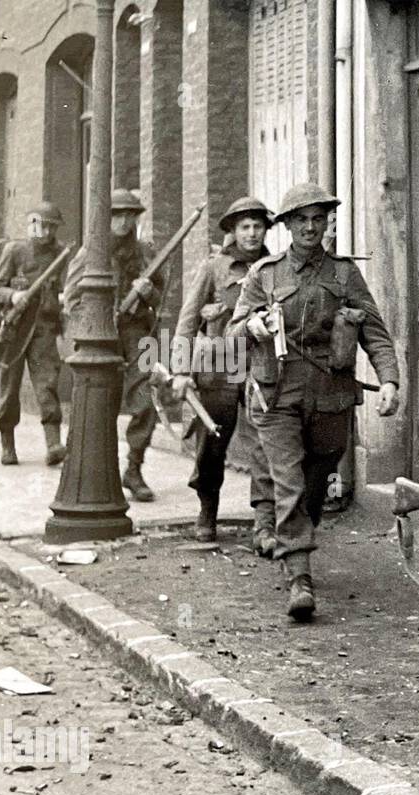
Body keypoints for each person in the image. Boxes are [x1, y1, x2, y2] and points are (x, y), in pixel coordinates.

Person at [226, 183, 399, 621]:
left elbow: (373, 330)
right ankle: (300, 575)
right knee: (289, 480)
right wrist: (254, 326)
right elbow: (232, 332)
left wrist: (390, 380)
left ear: (327, 223)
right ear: (285, 226)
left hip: (331, 395)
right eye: (300, 219)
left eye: (317, 218)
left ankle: (296, 536)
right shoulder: (264, 275)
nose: (309, 226)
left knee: (320, 476)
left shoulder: (344, 274)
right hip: (276, 393)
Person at [173, 195, 278, 548]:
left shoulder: (275, 265)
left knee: (266, 443)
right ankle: (207, 511)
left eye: (258, 226)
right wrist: (181, 369)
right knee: (212, 443)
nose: (252, 233)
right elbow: (187, 322)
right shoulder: (214, 268)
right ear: (233, 231)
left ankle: (264, 522)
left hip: (261, 366)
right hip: (219, 367)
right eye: (245, 227)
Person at [62, 188, 163, 501]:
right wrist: (93, 326)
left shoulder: (146, 252)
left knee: (146, 400)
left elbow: (161, 301)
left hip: (139, 336)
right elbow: (72, 301)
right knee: (99, 405)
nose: (123, 221)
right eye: (117, 214)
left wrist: (147, 292)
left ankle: (134, 468)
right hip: (101, 334)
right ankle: (96, 473)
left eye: (129, 215)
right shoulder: (90, 252)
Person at [0, 202, 68, 466]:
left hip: (44, 328)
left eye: (50, 226)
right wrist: (14, 295)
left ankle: (54, 443)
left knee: (47, 385)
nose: (44, 231)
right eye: (39, 224)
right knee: (9, 389)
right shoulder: (15, 251)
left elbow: (66, 289)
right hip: (13, 328)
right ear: (30, 224)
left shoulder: (60, 254)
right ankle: (7, 443)